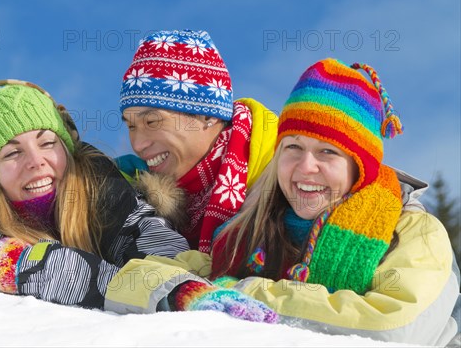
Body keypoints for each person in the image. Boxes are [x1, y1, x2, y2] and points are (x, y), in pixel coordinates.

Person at [104, 59, 459, 345]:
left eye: (327, 152)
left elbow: (395, 328)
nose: (306, 168)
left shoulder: (412, 231)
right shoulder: (250, 230)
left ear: (359, 167)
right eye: (293, 148)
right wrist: (186, 291)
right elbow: (134, 279)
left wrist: (251, 295)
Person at [0, 79, 190, 309]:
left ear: (68, 150)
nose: (35, 161)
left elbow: (173, 267)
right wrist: (13, 259)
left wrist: (87, 277)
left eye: (47, 143)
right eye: (12, 154)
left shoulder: (110, 199)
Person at [118, 29, 279, 253]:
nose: (138, 144)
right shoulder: (129, 186)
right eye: (131, 126)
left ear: (207, 116)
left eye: (152, 122)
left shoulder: (286, 176)